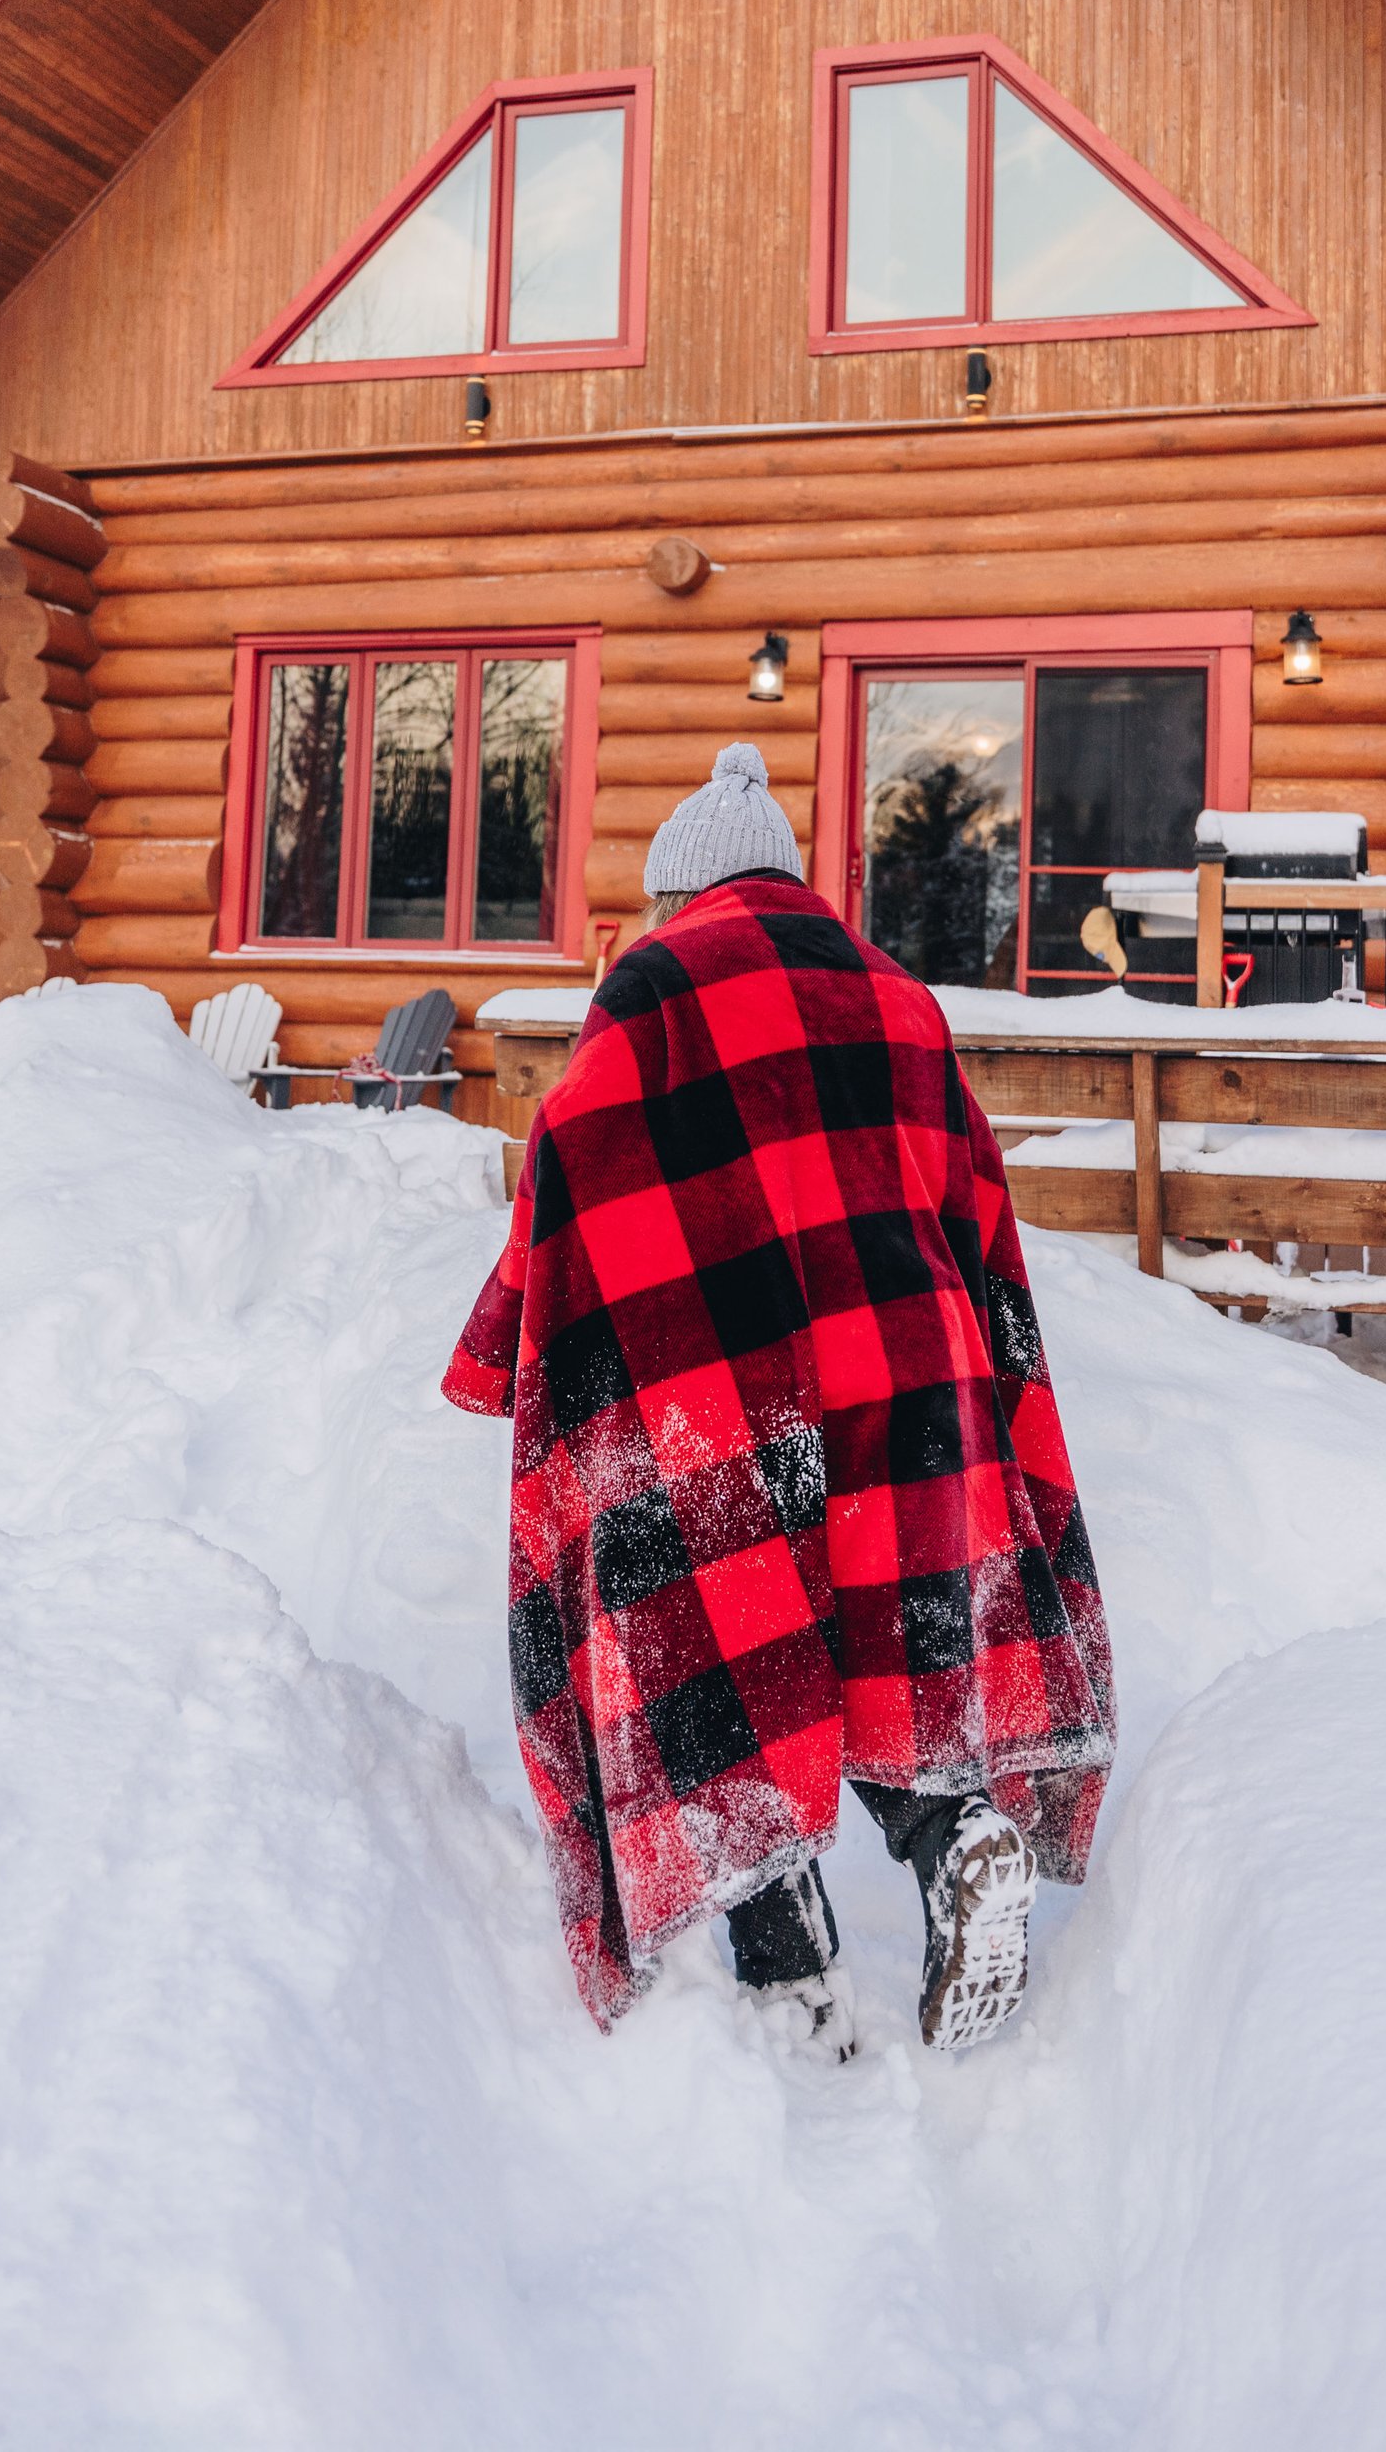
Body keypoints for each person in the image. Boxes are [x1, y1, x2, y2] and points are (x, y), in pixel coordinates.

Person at [443, 742, 1113, 2056]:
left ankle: (793, 1970)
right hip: (913, 1375)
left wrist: (510, 1329)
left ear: (682, 890)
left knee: (732, 1649)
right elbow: (979, 1201)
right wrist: (983, 1363)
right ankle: (955, 1831)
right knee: (889, 1645)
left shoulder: (653, 988)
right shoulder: (900, 996)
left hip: (717, 1386)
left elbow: (574, 1159)